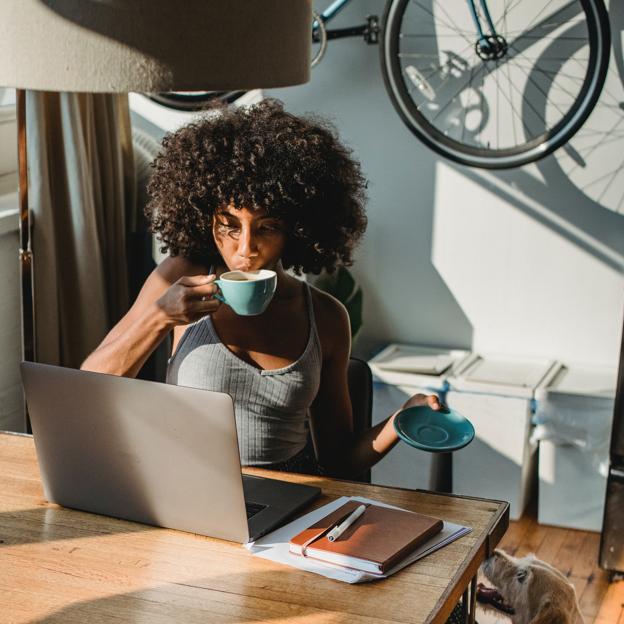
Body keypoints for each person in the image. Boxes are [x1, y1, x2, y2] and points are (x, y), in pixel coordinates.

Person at [81, 99, 446, 478]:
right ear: (205, 219)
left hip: (291, 499)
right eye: (229, 224)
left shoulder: (324, 316)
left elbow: (339, 460)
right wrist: (159, 318)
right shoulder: (181, 277)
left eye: (267, 227)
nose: (246, 248)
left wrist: (400, 420)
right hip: (188, 485)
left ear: (297, 229)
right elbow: (89, 388)